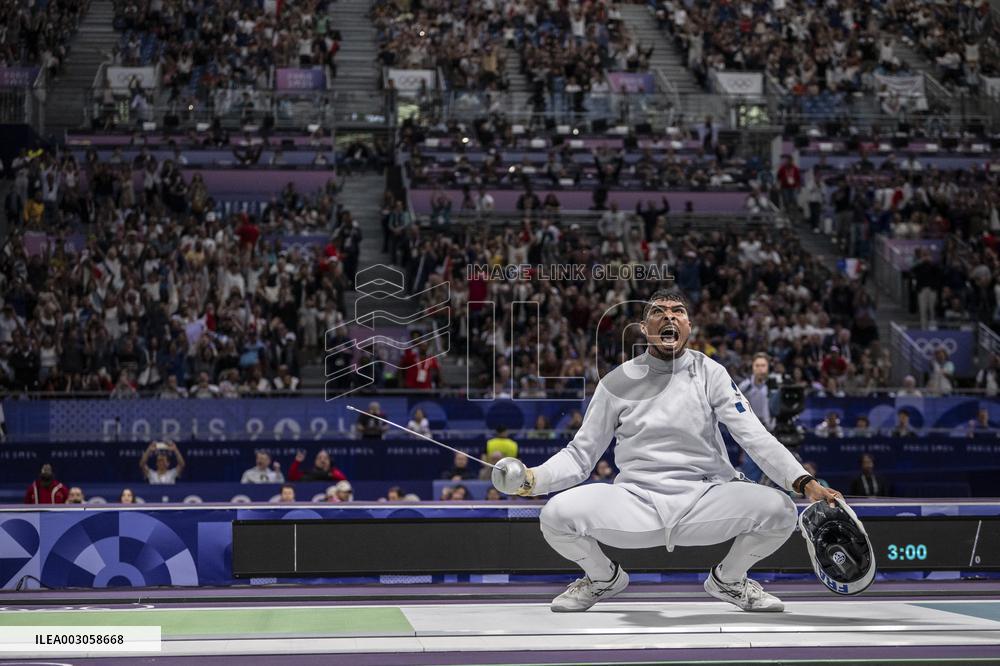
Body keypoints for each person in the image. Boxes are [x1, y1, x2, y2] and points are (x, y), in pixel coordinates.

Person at [497, 288, 842, 613]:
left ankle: (730, 580)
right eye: (658, 313)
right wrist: (532, 479)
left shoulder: (711, 373)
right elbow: (580, 455)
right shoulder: (616, 382)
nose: (669, 318)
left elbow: (753, 435)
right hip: (637, 501)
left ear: (689, 325)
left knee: (780, 510)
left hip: (706, 497)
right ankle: (604, 578)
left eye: (678, 312)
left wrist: (802, 480)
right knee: (555, 517)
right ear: (644, 327)